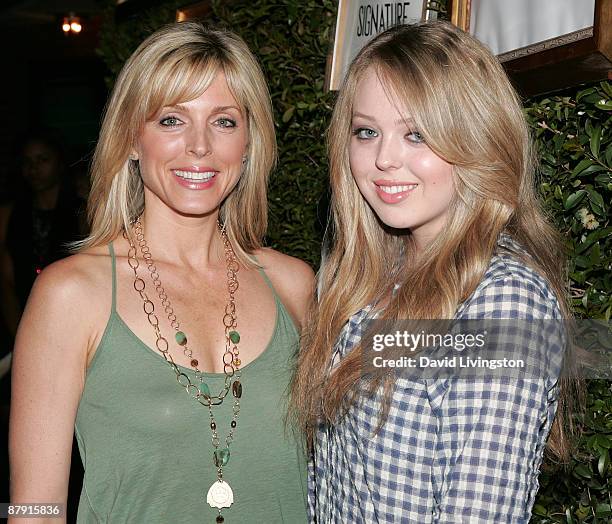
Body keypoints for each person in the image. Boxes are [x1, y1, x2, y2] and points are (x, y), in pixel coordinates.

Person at [10, 22, 313, 523]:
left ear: (249, 141)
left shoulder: (293, 284)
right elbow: (34, 509)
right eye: (172, 120)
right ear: (132, 138)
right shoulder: (71, 294)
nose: (199, 146)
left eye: (224, 121)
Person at [291, 21, 579, 523]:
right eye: (367, 131)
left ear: (478, 142)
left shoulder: (501, 301)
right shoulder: (366, 279)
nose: (383, 159)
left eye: (416, 134)